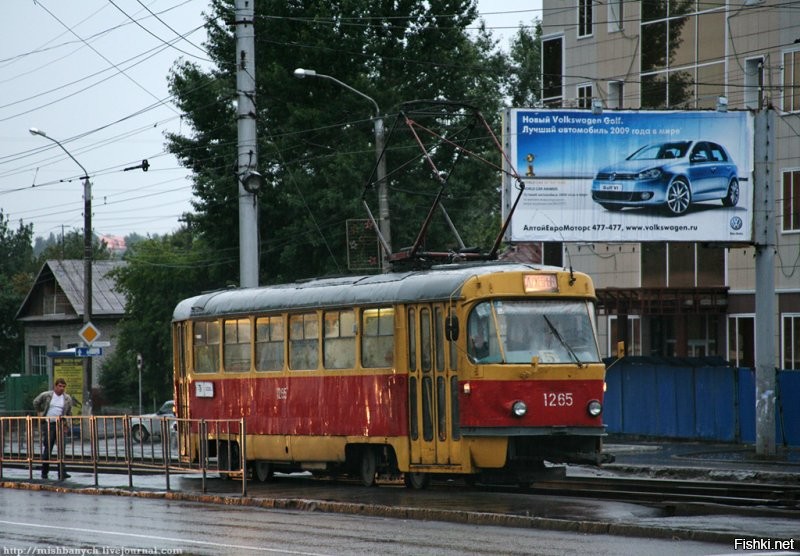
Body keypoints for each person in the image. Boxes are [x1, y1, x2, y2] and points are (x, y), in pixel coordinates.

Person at [32, 378, 74, 480]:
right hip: (49, 424)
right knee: (48, 448)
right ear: (55, 386)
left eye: (63, 387)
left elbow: (68, 413)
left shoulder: (67, 398)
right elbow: (36, 402)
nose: (61, 388)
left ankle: (62, 472)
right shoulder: (47, 395)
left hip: (60, 424)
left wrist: (66, 425)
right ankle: (44, 472)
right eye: (59, 386)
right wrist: (40, 412)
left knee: (62, 450)